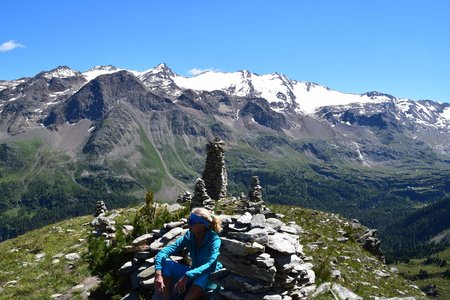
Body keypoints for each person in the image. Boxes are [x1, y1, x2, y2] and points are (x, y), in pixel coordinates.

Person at [154, 207, 223, 300]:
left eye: (192, 222)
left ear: (202, 225)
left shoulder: (214, 239)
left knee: (204, 276)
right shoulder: (189, 236)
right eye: (188, 220)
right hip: (194, 272)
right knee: (166, 263)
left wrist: (188, 275)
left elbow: (212, 264)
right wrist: (158, 273)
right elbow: (165, 251)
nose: (188, 224)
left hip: (210, 276)